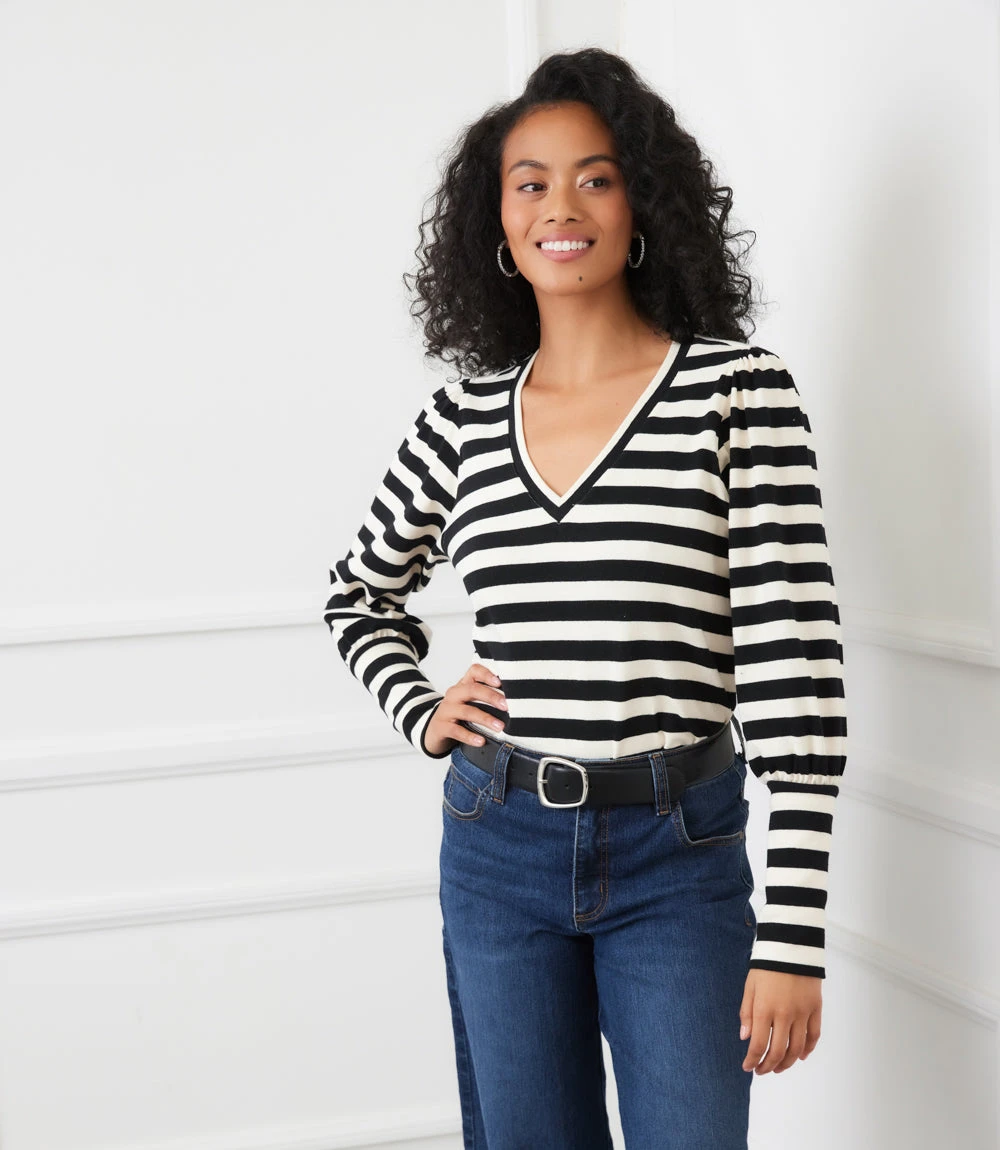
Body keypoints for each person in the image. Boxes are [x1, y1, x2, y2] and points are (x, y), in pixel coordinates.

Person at [323, 46, 846, 1150]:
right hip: (496, 844)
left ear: (641, 204)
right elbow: (359, 593)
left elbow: (793, 673)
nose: (561, 206)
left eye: (595, 178)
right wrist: (422, 709)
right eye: (531, 184)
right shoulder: (460, 421)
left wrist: (794, 934)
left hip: (679, 852)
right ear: (498, 224)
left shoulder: (735, 393)